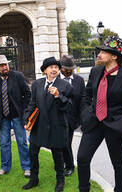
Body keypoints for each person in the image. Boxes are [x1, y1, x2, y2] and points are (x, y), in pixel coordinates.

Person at [77, 36, 122, 192]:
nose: (99, 54)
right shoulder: (95, 71)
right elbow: (87, 95)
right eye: (100, 51)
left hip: (116, 125)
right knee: (82, 158)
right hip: (94, 122)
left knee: (119, 164)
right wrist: (86, 113)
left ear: (114, 56)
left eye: (104, 52)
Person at [22, 57, 73, 191]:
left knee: (58, 156)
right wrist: (26, 119)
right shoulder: (37, 84)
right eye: (51, 67)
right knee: (32, 153)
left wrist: (58, 96)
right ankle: (34, 179)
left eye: (56, 67)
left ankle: (60, 182)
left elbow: (68, 106)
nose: (54, 69)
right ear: (45, 70)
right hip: (39, 126)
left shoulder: (65, 85)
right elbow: (32, 104)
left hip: (57, 125)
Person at [0, 55, 31, 177]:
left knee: (22, 141)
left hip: (17, 115)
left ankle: (27, 167)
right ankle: (5, 167)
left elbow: (27, 94)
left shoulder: (18, 76)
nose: (5, 67)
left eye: (6, 64)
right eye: (1, 66)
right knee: (4, 143)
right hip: (2, 117)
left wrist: (23, 109)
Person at [59, 55, 85, 176]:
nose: (69, 71)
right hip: (57, 116)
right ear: (61, 68)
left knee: (66, 142)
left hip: (72, 118)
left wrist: (82, 118)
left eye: (71, 68)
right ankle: (63, 162)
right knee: (60, 142)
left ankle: (69, 166)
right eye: (66, 69)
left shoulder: (79, 81)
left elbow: (83, 100)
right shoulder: (55, 79)